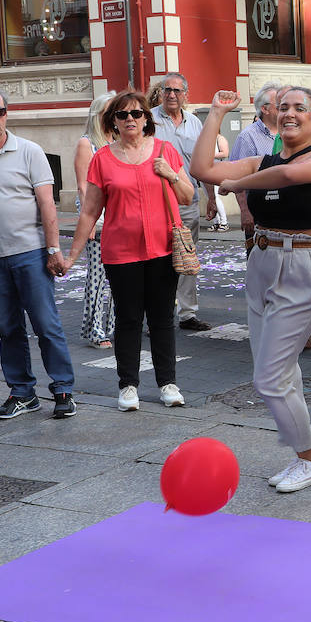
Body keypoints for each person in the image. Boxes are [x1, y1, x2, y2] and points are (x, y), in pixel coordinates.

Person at [191, 86, 311, 494]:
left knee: (270, 377)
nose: (289, 113)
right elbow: (203, 168)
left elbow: (289, 176)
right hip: (261, 261)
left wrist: (238, 182)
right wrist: (216, 114)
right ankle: (304, 458)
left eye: (299, 107)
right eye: (283, 107)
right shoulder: (263, 158)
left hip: (302, 264)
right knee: (281, 370)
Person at [0, 85, 77, 420]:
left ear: (6, 114)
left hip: (31, 252)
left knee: (46, 324)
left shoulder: (30, 151)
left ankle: (63, 389)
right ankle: (22, 393)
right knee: (8, 327)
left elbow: (47, 205)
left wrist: (53, 250)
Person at [63, 93, 191, 411]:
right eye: (121, 115)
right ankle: (128, 386)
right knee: (128, 319)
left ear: (147, 118)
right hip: (121, 253)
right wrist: (72, 256)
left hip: (162, 249)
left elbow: (188, 197)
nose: (129, 119)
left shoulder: (165, 151)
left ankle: (168, 383)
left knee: (162, 318)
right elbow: (90, 212)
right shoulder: (102, 159)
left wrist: (171, 175)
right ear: (113, 122)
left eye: (136, 113)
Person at [151, 73, 212, 332]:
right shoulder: (149, 119)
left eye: (177, 91)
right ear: (160, 93)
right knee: (157, 260)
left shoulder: (194, 123)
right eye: (167, 90)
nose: (172, 95)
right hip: (157, 202)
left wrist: (210, 196)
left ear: (186, 94)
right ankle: (158, 314)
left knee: (187, 257)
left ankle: (187, 314)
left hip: (188, 200)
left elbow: (202, 163)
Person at [71, 92, 118, 348]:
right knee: (98, 277)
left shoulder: (118, 141)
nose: (114, 118)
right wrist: (90, 222)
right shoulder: (87, 143)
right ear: (98, 115)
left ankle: (111, 326)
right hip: (98, 220)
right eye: (109, 113)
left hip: (119, 219)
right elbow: (83, 187)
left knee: (116, 277)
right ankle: (94, 330)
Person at [230, 81, 283, 244]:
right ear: (265, 109)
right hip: (259, 213)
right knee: (260, 263)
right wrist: (245, 212)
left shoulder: (289, 132)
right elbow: (237, 178)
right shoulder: (248, 137)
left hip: (287, 212)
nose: (285, 109)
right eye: (279, 105)